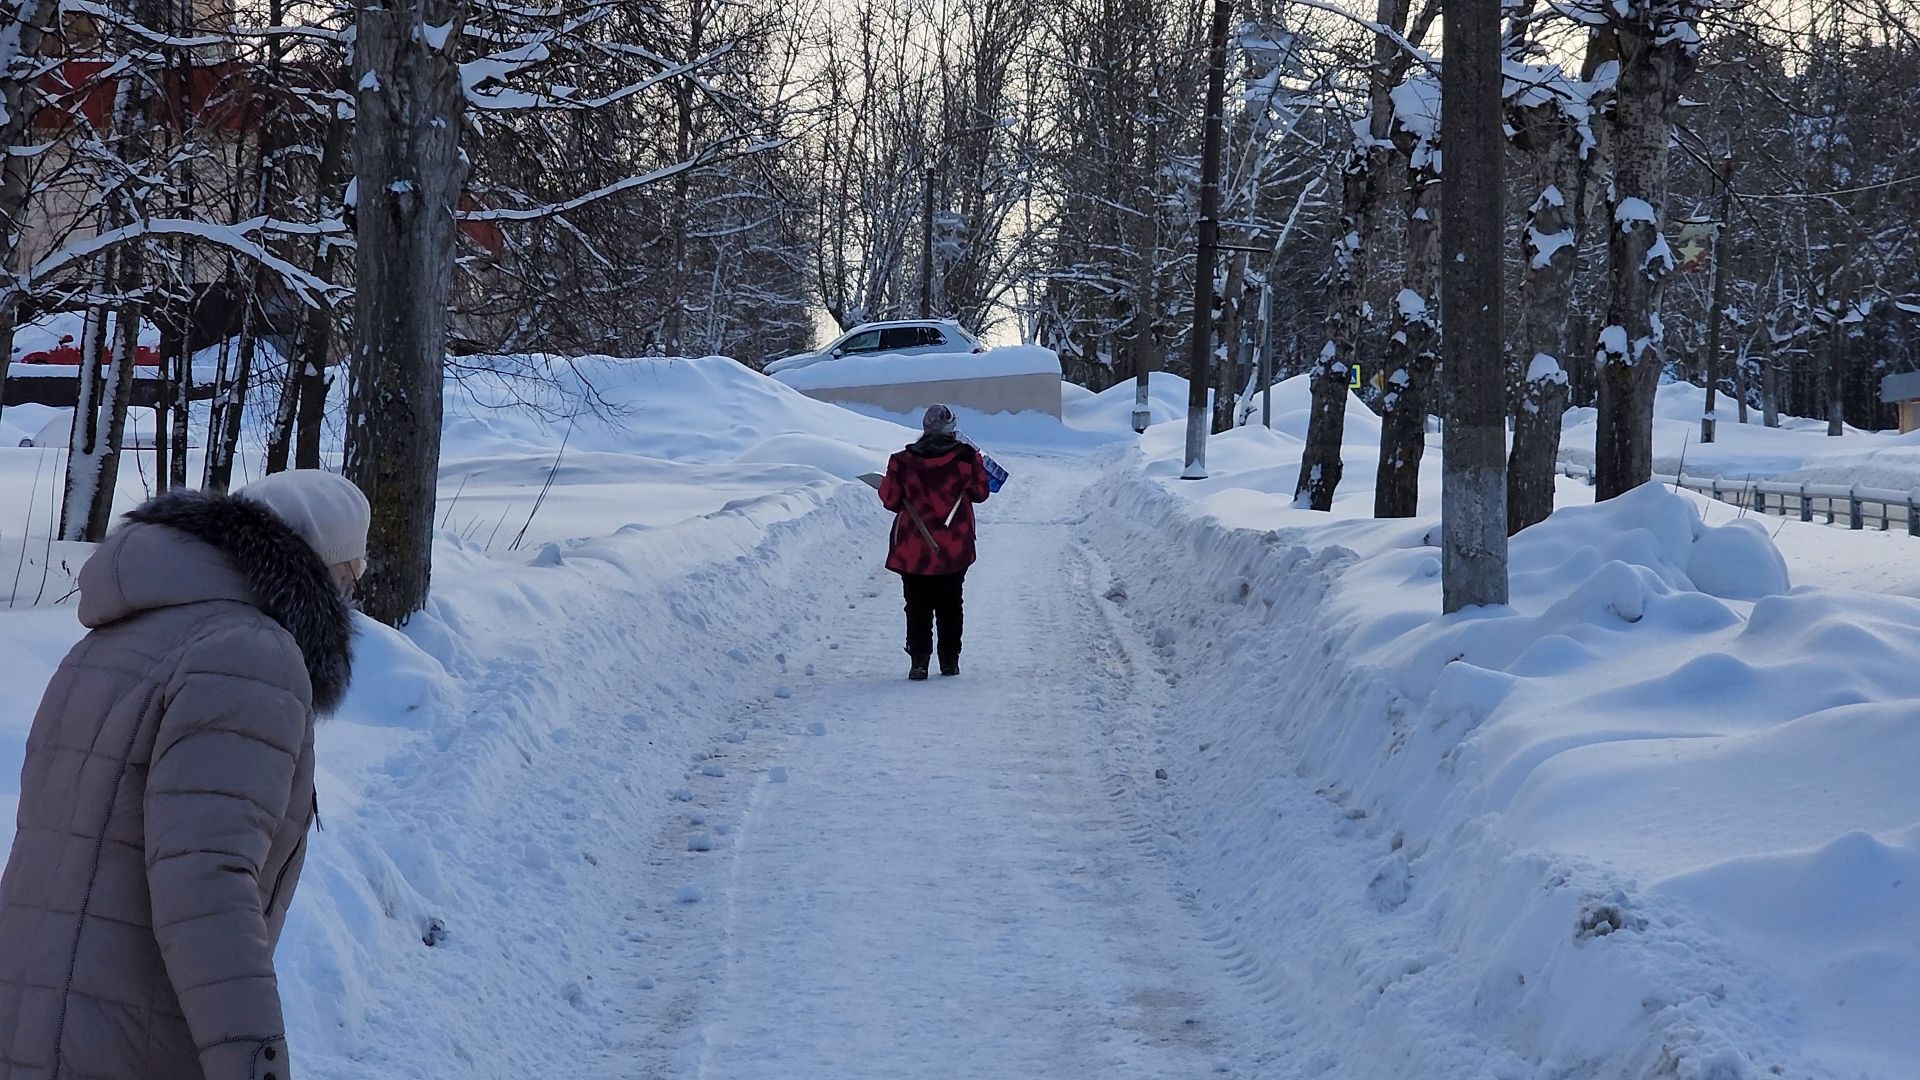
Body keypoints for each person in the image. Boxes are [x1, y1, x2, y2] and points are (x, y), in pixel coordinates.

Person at [0, 470, 368, 1080]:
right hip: (119, 1036)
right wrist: (254, 1064)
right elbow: (207, 882)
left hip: (26, 1006)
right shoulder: (250, 654)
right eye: (354, 579)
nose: (353, 602)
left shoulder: (115, 637)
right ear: (327, 572)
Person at [878, 404, 991, 680]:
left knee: (916, 603)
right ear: (952, 428)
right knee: (951, 602)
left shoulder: (901, 461)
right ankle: (950, 660)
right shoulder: (966, 459)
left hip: (913, 546)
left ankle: (919, 661)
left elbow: (890, 500)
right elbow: (980, 493)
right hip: (954, 544)